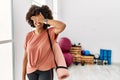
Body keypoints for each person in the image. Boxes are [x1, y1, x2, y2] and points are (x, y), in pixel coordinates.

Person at [22, 5, 69, 80]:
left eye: (39, 19)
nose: (37, 21)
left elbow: (62, 26)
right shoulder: (28, 36)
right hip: (30, 71)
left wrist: (44, 20)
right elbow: (25, 58)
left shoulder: (50, 33)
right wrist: (23, 77)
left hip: (46, 71)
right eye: (35, 18)